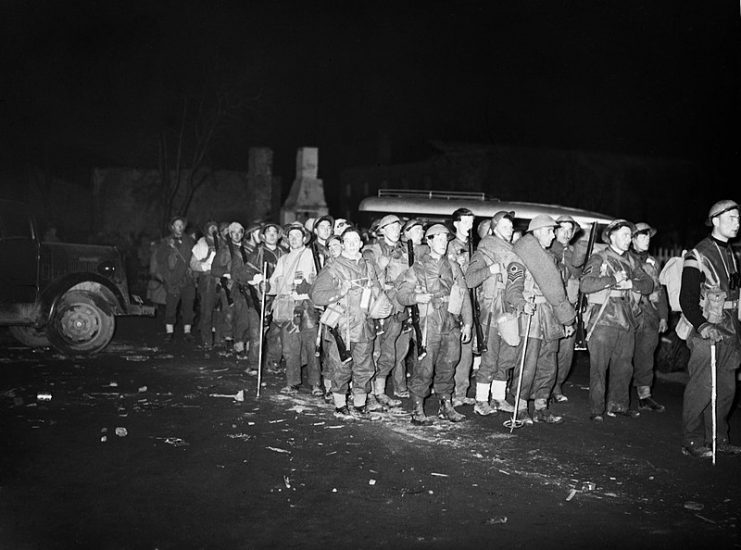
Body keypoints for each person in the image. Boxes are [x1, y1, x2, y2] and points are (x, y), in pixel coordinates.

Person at [679, 200, 741, 458]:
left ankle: (718, 438)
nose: (737, 223)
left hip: (730, 329)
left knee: (726, 389)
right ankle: (692, 440)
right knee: (702, 388)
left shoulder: (731, 253)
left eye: (738, 219)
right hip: (708, 329)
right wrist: (702, 326)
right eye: (732, 218)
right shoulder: (698, 254)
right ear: (715, 220)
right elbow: (687, 298)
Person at [311, 225, 392, 419]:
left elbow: (377, 290)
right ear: (343, 244)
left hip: (365, 325)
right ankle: (340, 406)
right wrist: (341, 291)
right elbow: (316, 295)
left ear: (361, 244)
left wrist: (382, 304)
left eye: (356, 241)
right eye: (348, 241)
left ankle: (359, 405)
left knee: (364, 367)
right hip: (343, 327)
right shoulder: (333, 267)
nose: (353, 245)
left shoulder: (368, 266)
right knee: (340, 367)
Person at [504, 215, 576, 424]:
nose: (553, 236)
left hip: (550, 318)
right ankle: (521, 407)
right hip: (531, 317)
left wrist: (564, 320)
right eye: (549, 231)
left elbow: (558, 293)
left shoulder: (550, 258)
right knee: (527, 365)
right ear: (536, 232)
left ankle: (542, 407)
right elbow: (512, 290)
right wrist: (522, 303)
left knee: (548, 365)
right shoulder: (518, 258)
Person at [398, 224, 472, 425]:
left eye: (444, 239)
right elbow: (402, 295)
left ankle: (446, 406)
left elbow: (463, 296)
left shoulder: (453, 267)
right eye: (437, 238)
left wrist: (468, 324)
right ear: (428, 241)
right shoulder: (418, 268)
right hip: (428, 324)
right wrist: (417, 297)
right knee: (424, 367)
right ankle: (417, 409)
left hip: (451, 323)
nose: (442, 243)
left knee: (448, 364)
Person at [580, 219, 653, 422]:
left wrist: (631, 283)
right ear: (611, 236)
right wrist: (613, 281)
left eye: (630, 236)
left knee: (624, 366)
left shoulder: (632, 261)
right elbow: (585, 284)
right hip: (603, 318)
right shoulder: (598, 258)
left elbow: (648, 284)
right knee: (599, 368)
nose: (629, 240)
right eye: (625, 235)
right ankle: (597, 409)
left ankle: (619, 405)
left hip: (627, 318)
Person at [465, 210, 519, 415]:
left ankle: (498, 398)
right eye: (505, 226)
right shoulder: (483, 253)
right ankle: (480, 401)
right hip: (490, 313)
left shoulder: (514, 252)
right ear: (494, 229)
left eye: (511, 226)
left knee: (507, 357)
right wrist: (490, 270)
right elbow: (469, 280)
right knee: (489, 358)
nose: (510, 229)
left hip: (510, 311)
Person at [267, 222, 321, 395]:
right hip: (289, 307)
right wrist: (264, 285)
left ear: (304, 238)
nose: (294, 239)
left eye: (298, 235)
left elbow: (320, 281)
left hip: (307, 307)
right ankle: (292, 383)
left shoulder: (313, 255)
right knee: (290, 348)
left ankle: (316, 384)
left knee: (312, 347)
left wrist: (309, 287)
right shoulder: (283, 259)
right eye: (291, 236)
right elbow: (274, 284)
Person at [362, 214, 407, 410]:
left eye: (398, 227)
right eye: (391, 227)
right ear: (381, 230)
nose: (396, 230)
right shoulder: (371, 250)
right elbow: (366, 276)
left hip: (397, 307)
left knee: (389, 352)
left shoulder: (405, 251)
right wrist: (382, 264)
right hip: (377, 306)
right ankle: (368, 394)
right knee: (373, 351)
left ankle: (380, 392)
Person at [629, 222, 669, 412]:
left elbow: (660, 290)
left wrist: (663, 316)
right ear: (633, 239)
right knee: (623, 355)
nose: (647, 240)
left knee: (646, 356)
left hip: (650, 315)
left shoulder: (653, 262)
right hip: (628, 313)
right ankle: (616, 395)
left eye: (648, 237)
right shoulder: (625, 258)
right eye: (642, 237)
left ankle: (644, 396)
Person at [549, 215, 586, 403]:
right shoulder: (546, 250)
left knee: (566, 352)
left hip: (570, 310)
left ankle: (557, 386)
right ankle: (543, 388)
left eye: (568, 230)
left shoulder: (575, 254)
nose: (565, 233)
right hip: (550, 309)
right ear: (554, 231)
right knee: (547, 350)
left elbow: (582, 277)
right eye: (561, 228)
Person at [447, 207, 476, 407]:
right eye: (465, 222)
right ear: (456, 223)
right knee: (452, 350)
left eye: (471, 222)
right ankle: (447, 392)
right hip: (455, 300)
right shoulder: (450, 246)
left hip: (472, 299)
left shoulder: (474, 246)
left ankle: (461, 392)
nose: (469, 226)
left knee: (467, 351)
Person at [211, 222, 252, 358]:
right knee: (229, 314)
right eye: (234, 233)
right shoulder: (224, 250)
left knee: (242, 315)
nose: (237, 235)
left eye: (240, 232)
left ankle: (239, 343)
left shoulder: (246, 249)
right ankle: (228, 342)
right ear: (229, 234)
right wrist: (227, 273)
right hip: (228, 286)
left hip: (242, 286)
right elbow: (214, 269)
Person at [152, 216, 196, 342]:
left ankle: (187, 332)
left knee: (188, 306)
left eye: (181, 225)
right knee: (171, 306)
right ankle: (169, 332)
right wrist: (168, 249)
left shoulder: (190, 241)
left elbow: (195, 258)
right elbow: (160, 259)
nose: (180, 227)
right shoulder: (166, 242)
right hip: (173, 280)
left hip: (188, 280)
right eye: (177, 225)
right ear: (172, 227)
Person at [190, 220, 220, 349]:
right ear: (206, 229)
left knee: (220, 311)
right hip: (207, 280)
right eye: (211, 227)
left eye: (215, 226)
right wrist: (204, 267)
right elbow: (193, 263)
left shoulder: (222, 242)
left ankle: (219, 339)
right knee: (207, 310)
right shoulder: (201, 244)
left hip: (221, 279)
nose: (213, 229)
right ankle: (207, 340)